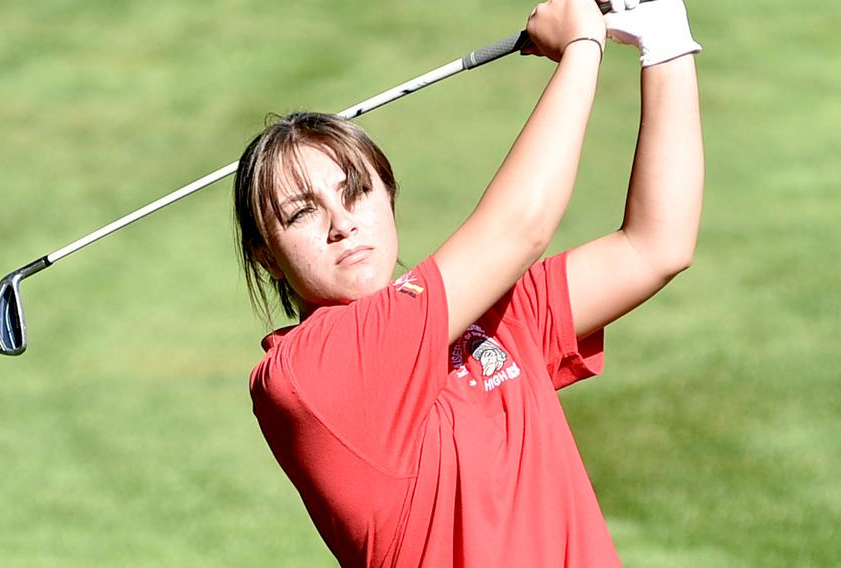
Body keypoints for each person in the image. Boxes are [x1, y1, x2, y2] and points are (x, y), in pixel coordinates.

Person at [232, 0, 703, 565]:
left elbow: (657, 245)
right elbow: (519, 229)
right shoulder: (305, 374)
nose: (342, 224)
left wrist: (665, 39)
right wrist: (581, 48)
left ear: (389, 195)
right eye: (301, 212)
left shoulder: (485, 316)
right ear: (265, 254)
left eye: (356, 190)